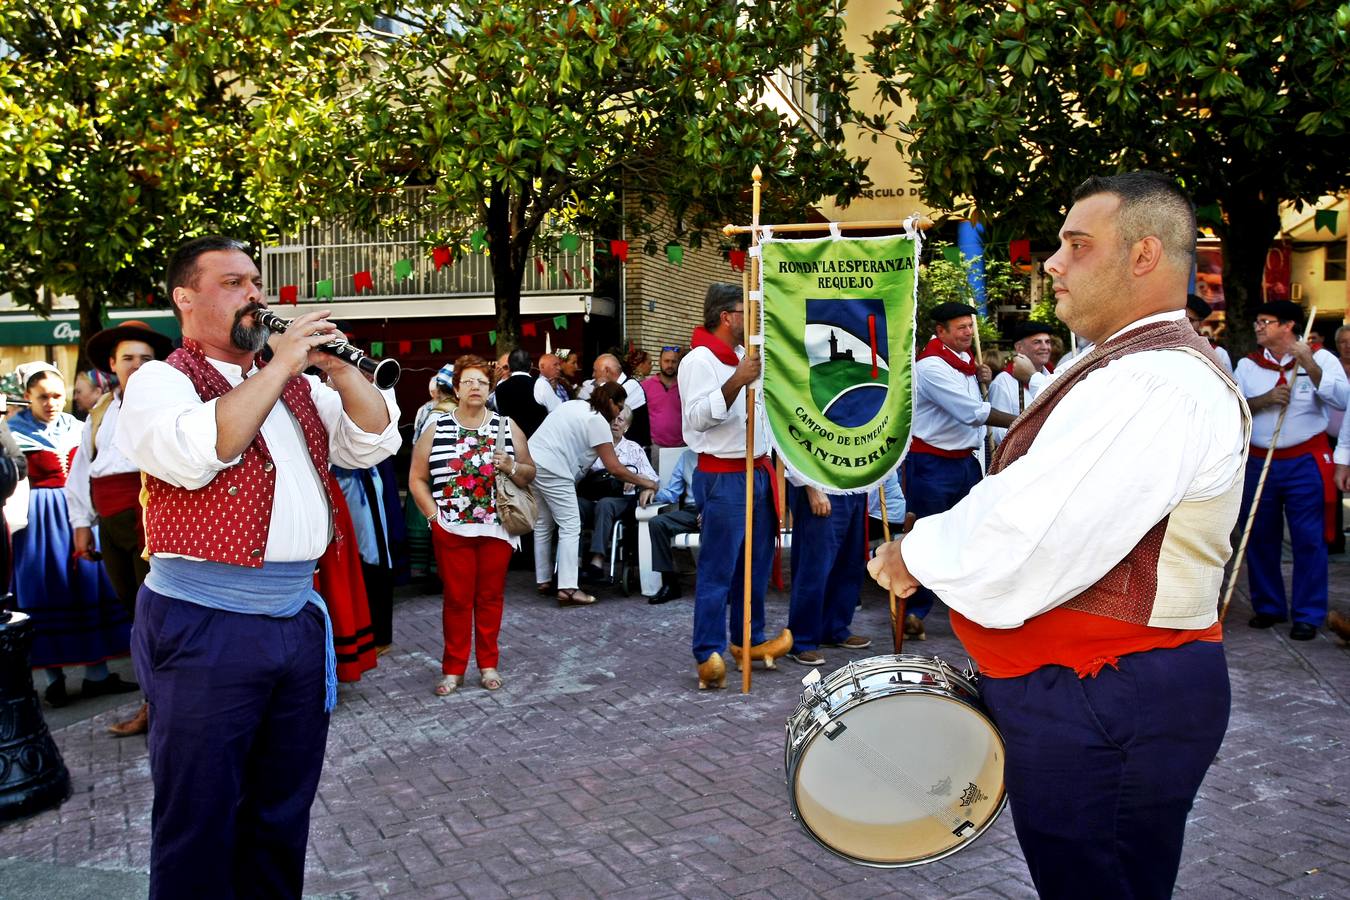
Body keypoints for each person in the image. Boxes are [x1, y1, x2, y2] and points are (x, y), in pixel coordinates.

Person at [869, 171, 1247, 900]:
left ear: (1143, 255)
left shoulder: (1158, 382)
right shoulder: (1128, 368)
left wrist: (913, 553)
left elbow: (1034, 530)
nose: (1053, 262)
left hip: (1107, 692)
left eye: (1077, 244)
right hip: (1092, 693)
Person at [117, 236, 400, 898]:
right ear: (185, 297)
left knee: (280, 813)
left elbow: (372, 440)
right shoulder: (163, 380)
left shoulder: (300, 386)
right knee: (200, 816)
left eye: (255, 282)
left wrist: (341, 369)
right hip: (203, 621)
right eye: (233, 283)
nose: (254, 295)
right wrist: (281, 366)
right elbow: (203, 449)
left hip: (295, 619)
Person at [679, 283, 792, 689]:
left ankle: (749, 639)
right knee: (719, 567)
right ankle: (707, 650)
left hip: (756, 470)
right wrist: (735, 383)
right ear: (727, 317)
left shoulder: (746, 356)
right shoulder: (699, 360)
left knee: (755, 564)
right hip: (723, 474)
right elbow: (696, 419)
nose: (752, 321)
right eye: (747, 312)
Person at [65, 320, 173, 736]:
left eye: (146, 358)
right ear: (113, 363)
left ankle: (162, 705)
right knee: (133, 611)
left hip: (151, 516)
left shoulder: (166, 405)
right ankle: (153, 700)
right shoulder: (100, 411)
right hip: (111, 520)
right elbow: (82, 470)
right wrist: (81, 524)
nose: (137, 365)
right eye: (128, 358)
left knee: (156, 614)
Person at [408, 355, 536, 695]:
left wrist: (510, 466)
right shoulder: (436, 428)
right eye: (468, 382)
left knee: (491, 597)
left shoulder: (506, 426)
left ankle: (488, 664)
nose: (475, 387)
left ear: (490, 387)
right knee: (457, 600)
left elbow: (529, 472)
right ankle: (453, 669)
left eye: (481, 382)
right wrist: (435, 518)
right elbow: (417, 479)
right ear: (457, 388)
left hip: (496, 529)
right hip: (452, 530)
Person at [10, 362, 133, 708]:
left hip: (81, 514)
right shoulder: (14, 431)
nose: (51, 402)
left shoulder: (81, 425)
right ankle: (54, 679)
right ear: (27, 397)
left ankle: (97, 675)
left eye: (57, 395)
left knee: (89, 589)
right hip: (39, 522)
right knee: (46, 592)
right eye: (42, 397)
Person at [901, 302, 1016, 638]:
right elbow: (970, 412)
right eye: (960, 327)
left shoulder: (967, 363)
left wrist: (983, 377)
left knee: (968, 536)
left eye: (970, 326)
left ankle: (966, 610)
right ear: (941, 332)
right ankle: (913, 611)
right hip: (932, 463)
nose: (968, 333)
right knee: (927, 535)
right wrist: (1022, 419)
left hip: (965, 461)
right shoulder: (931, 367)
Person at [1236, 299, 1348, 639]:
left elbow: (1343, 400)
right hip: (1260, 460)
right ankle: (1268, 606)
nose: (1258, 327)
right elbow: (1234, 407)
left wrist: (1309, 364)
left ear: (1288, 326)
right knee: (1260, 536)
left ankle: (1308, 614)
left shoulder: (1321, 357)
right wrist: (1265, 400)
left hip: (1304, 460)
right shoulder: (1247, 365)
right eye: (1257, 320)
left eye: (1265, 321)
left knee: (1308, 539)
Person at [529, 383, 657, 605]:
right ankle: (568, 589)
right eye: (619, 406)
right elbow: (615, 468)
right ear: (610, 402)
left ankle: (544, 580)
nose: (619, 412)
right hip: (554, 468)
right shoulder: (597, 421)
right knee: (571, 525)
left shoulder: (573, 405)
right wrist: (646, 482)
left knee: (543, 523)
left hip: (532, 461)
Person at [784, 476, 870, 667]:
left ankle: (834, 628)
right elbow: (794, 447)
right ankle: (801, 640)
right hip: (820, 482)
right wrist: (811, 487)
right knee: (814, 568)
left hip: (854, 483)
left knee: (849, 563)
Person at [578, 405, 657, 583]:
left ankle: (597, 561)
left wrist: (636, 477)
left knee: (606, 504)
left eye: (620, 419)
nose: (615, 422)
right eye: (613, 418)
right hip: (593, 500)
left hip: (620, 502)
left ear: (626, 427)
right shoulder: (593, 447)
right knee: (575, 505)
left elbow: (653, 478)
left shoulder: (633, 449)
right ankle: (573, 562)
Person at [643, 447, 699, 604]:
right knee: (657, 523)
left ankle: (725, 585)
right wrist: (652, 491)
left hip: (716, 509)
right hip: (691, 511)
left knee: (724, 523)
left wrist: (711, 511)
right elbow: (672, 493)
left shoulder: (720, 453)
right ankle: (669, 584)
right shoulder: (687, 457)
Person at [988, 321, 1055, 445]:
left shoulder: (1054, 377)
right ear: (1019, 348)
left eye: (1047, 342)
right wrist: (1031, 433)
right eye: (1037, 342)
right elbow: (997, 433)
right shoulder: (1003, 382)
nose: (1045, 347)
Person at [579, 352, 650, 447]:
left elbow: (602, 409)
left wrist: (598, 388)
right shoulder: (608, 387)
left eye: (595, 371)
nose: (593, 375)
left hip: (634, 453)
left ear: (607, 371)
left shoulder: (632, 386)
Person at [494, 347, 547, 436]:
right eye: (504, 368)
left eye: (507, 367)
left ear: (511, 367)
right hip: (537, 441)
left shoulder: (499, 388)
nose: (507, 372)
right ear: (531, 365)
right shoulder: (540, 384)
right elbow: (556, 410)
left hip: (511, 442)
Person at [643, 346, 684, 448]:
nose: (670, 365)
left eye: (673, 361)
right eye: (666, 361)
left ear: (678, 363)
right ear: (659, 361)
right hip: (655, 446)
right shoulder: (645, 386)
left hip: (682, 446)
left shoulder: (685, 386)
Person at [1185, 294, 1233, 376]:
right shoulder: (1165, 348)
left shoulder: (1217, 353)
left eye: (1190, 320)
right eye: (1181, 319)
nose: (1184, 324)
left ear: (1200, 323)